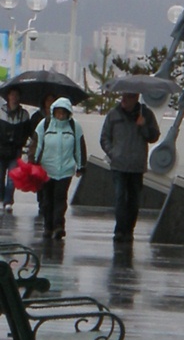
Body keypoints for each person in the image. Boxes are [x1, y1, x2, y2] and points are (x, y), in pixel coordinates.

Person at [100, 92, 160, 242]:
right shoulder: (113, 114)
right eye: (123, 96)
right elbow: (105, 137)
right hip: (119, 165)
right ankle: (119, 230)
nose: (124, 99)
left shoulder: (146, 114)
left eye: (128, 96)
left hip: (136, 165)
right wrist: (113, 153)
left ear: (136, 98)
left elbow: (153, 136)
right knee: (120, 197)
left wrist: (143, 126)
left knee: (134, 200)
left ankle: (129, 230)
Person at [34, 97, 86, 240]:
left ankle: (58, 226)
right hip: (46, 169)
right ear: (53, 112)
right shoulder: (44, 124)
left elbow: (79, 147)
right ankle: (48, 226)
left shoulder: (74, 126)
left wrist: (81, 166)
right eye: (58, 112)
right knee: (47, 200)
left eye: (64, 113)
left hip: (65, 170)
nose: (61, 116)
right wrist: (33, 163)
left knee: (60, 198)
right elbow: (37, 144)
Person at [0, 88, 31, 212]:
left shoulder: (24, 115)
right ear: (8, 96)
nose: (14, 97)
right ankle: (1, 198)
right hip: (1, 150)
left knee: (12, 178)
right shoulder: (1, 112)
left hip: (15, 151)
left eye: (17, 95)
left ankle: (8, 201)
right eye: (12, 95)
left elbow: (27, 132)